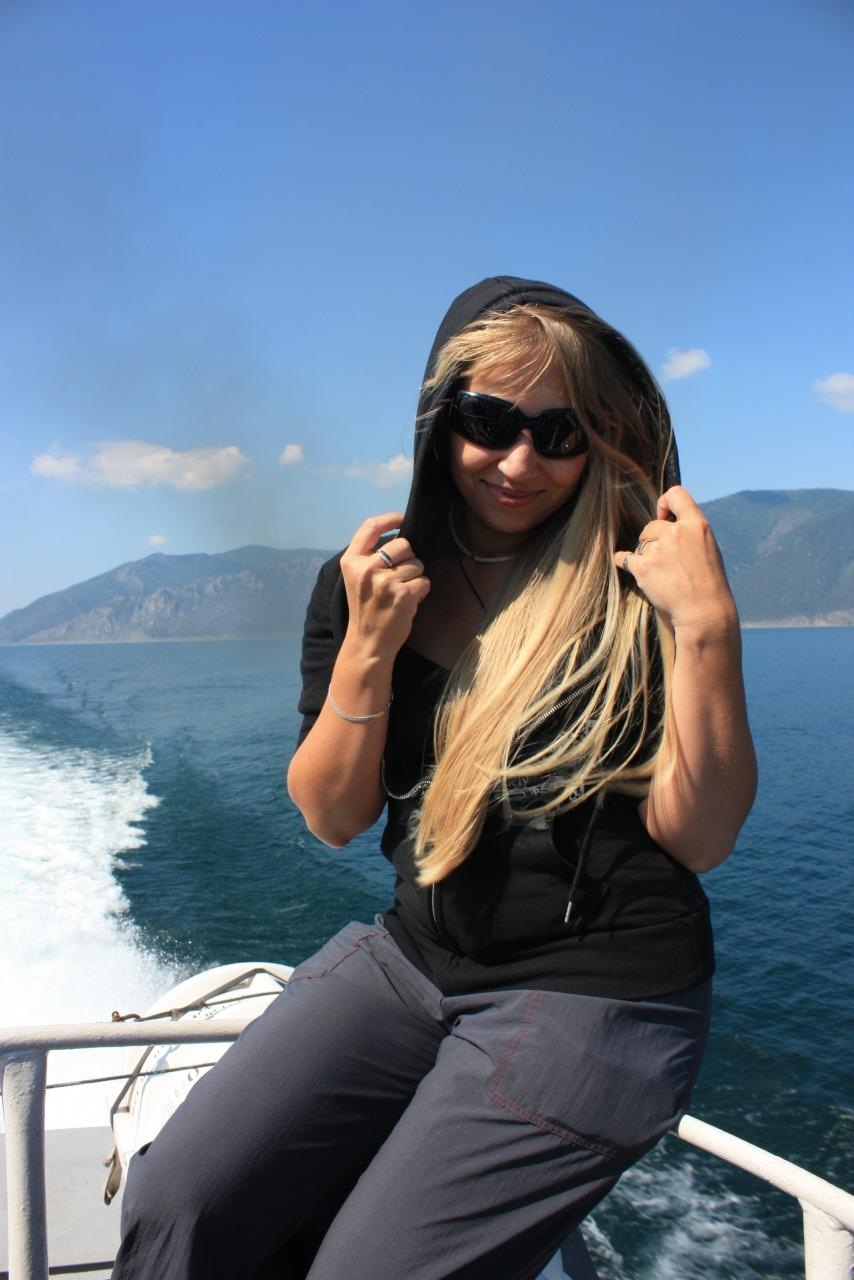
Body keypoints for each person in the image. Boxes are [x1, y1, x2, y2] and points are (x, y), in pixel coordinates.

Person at [112, 276, 757, 1280]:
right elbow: (333, 816)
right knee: (174, 1202)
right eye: (489, 422)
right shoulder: (372, 582)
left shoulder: (642, 585)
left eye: (558, 433)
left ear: (596, 441)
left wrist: (707, 627)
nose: (518, 462)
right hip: (415, 958)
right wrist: (369, 646)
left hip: (598, 988)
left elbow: (699, 839)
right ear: (438, 418)